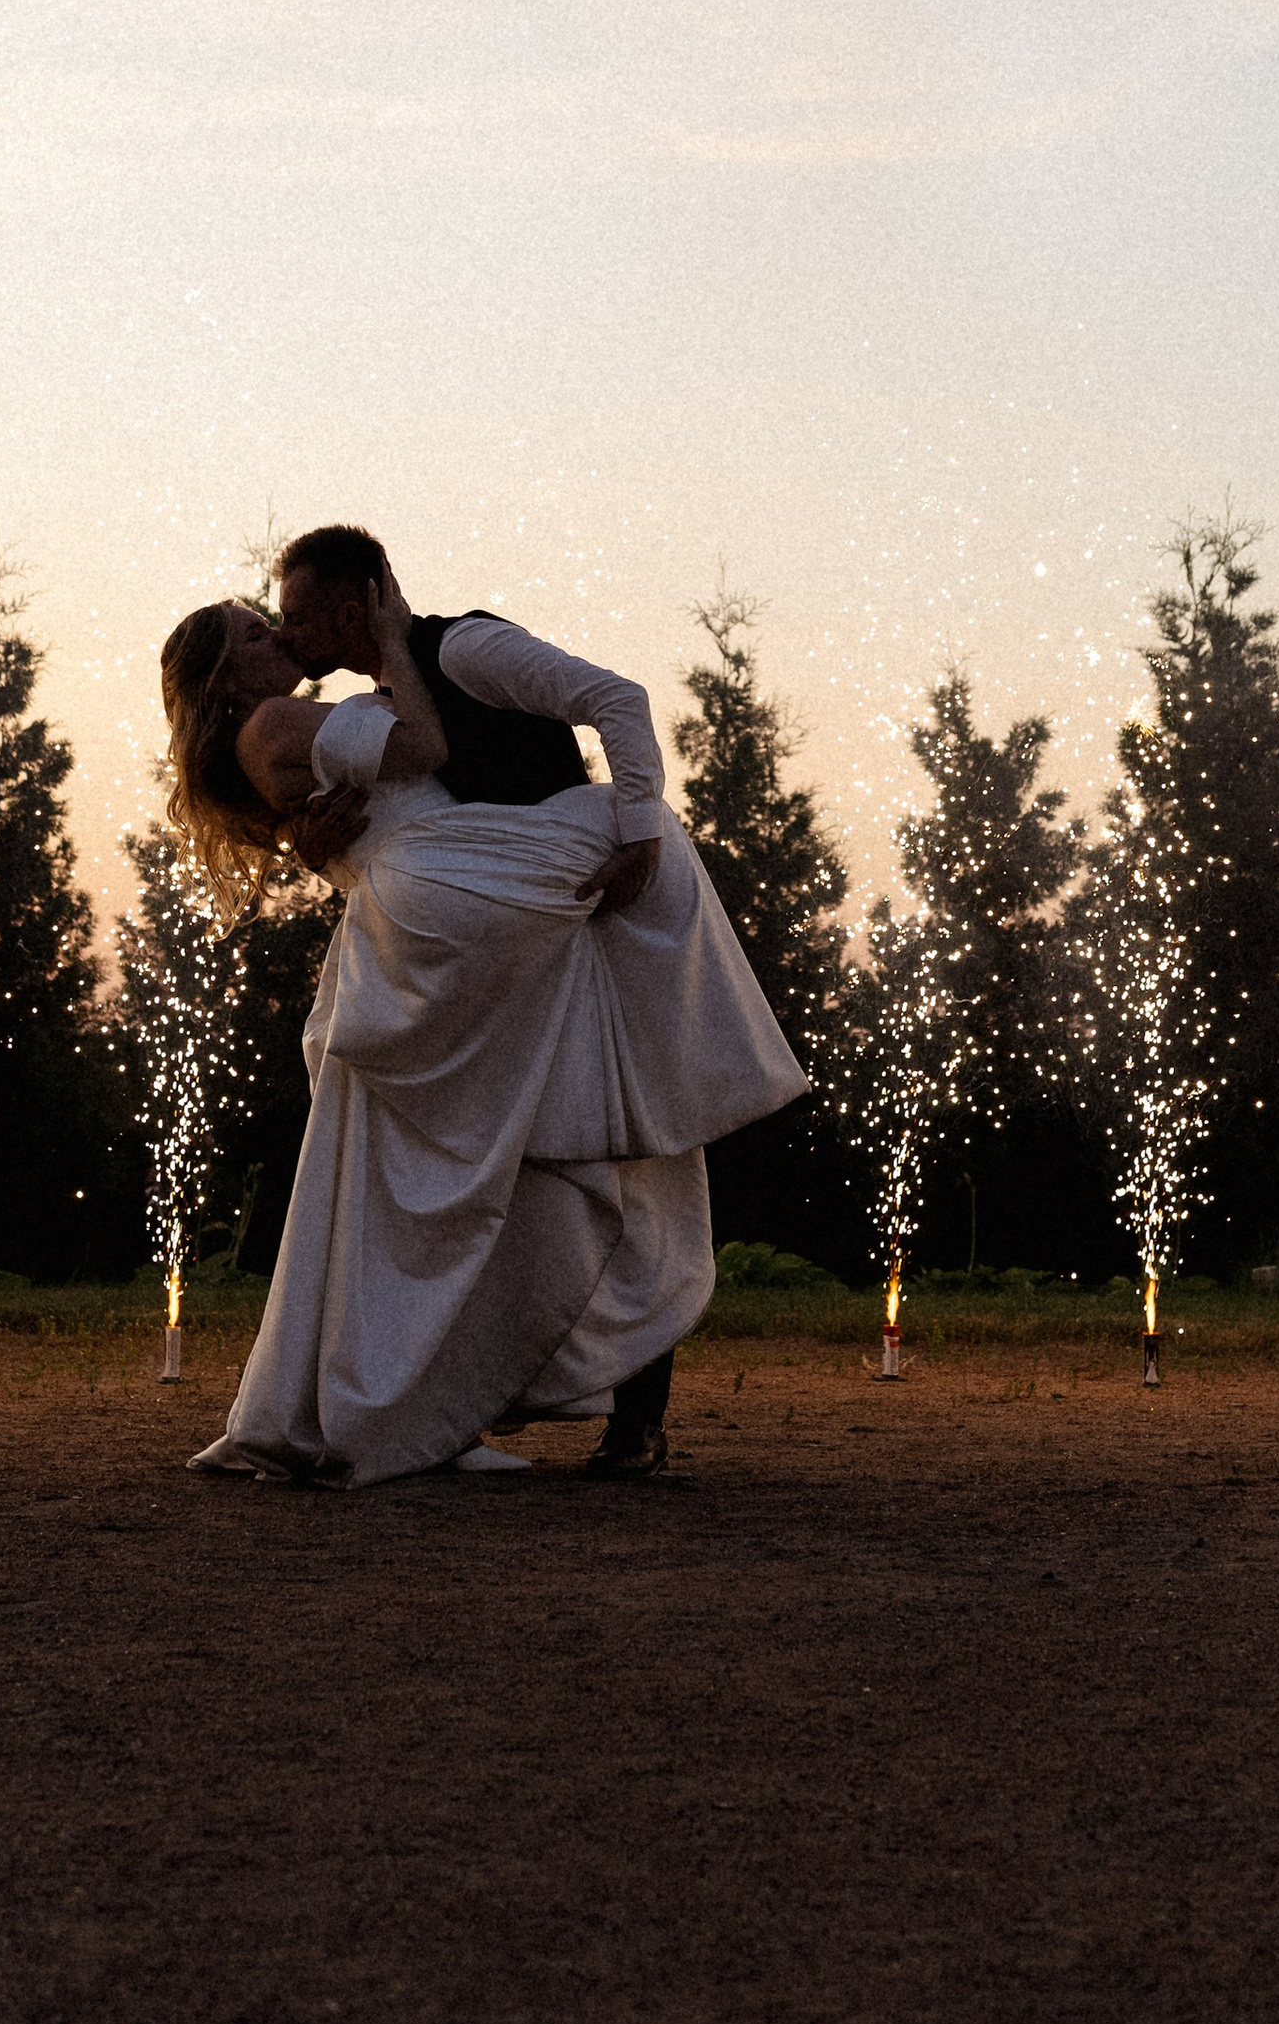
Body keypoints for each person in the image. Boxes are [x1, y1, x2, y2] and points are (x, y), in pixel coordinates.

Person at [160, 537, 803, 1488]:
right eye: (268, 626)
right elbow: (400, 778)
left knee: (607, 1157)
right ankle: (449, 1408)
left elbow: (611, 703)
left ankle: (593, 1418)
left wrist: (632, 834)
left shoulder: (459, 651)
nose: (286, 632)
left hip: (557, 921)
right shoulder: (322, 713)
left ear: (357, 607)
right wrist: (312, 833)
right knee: (562, 1168)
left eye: (291, 615)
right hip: (503, 933)